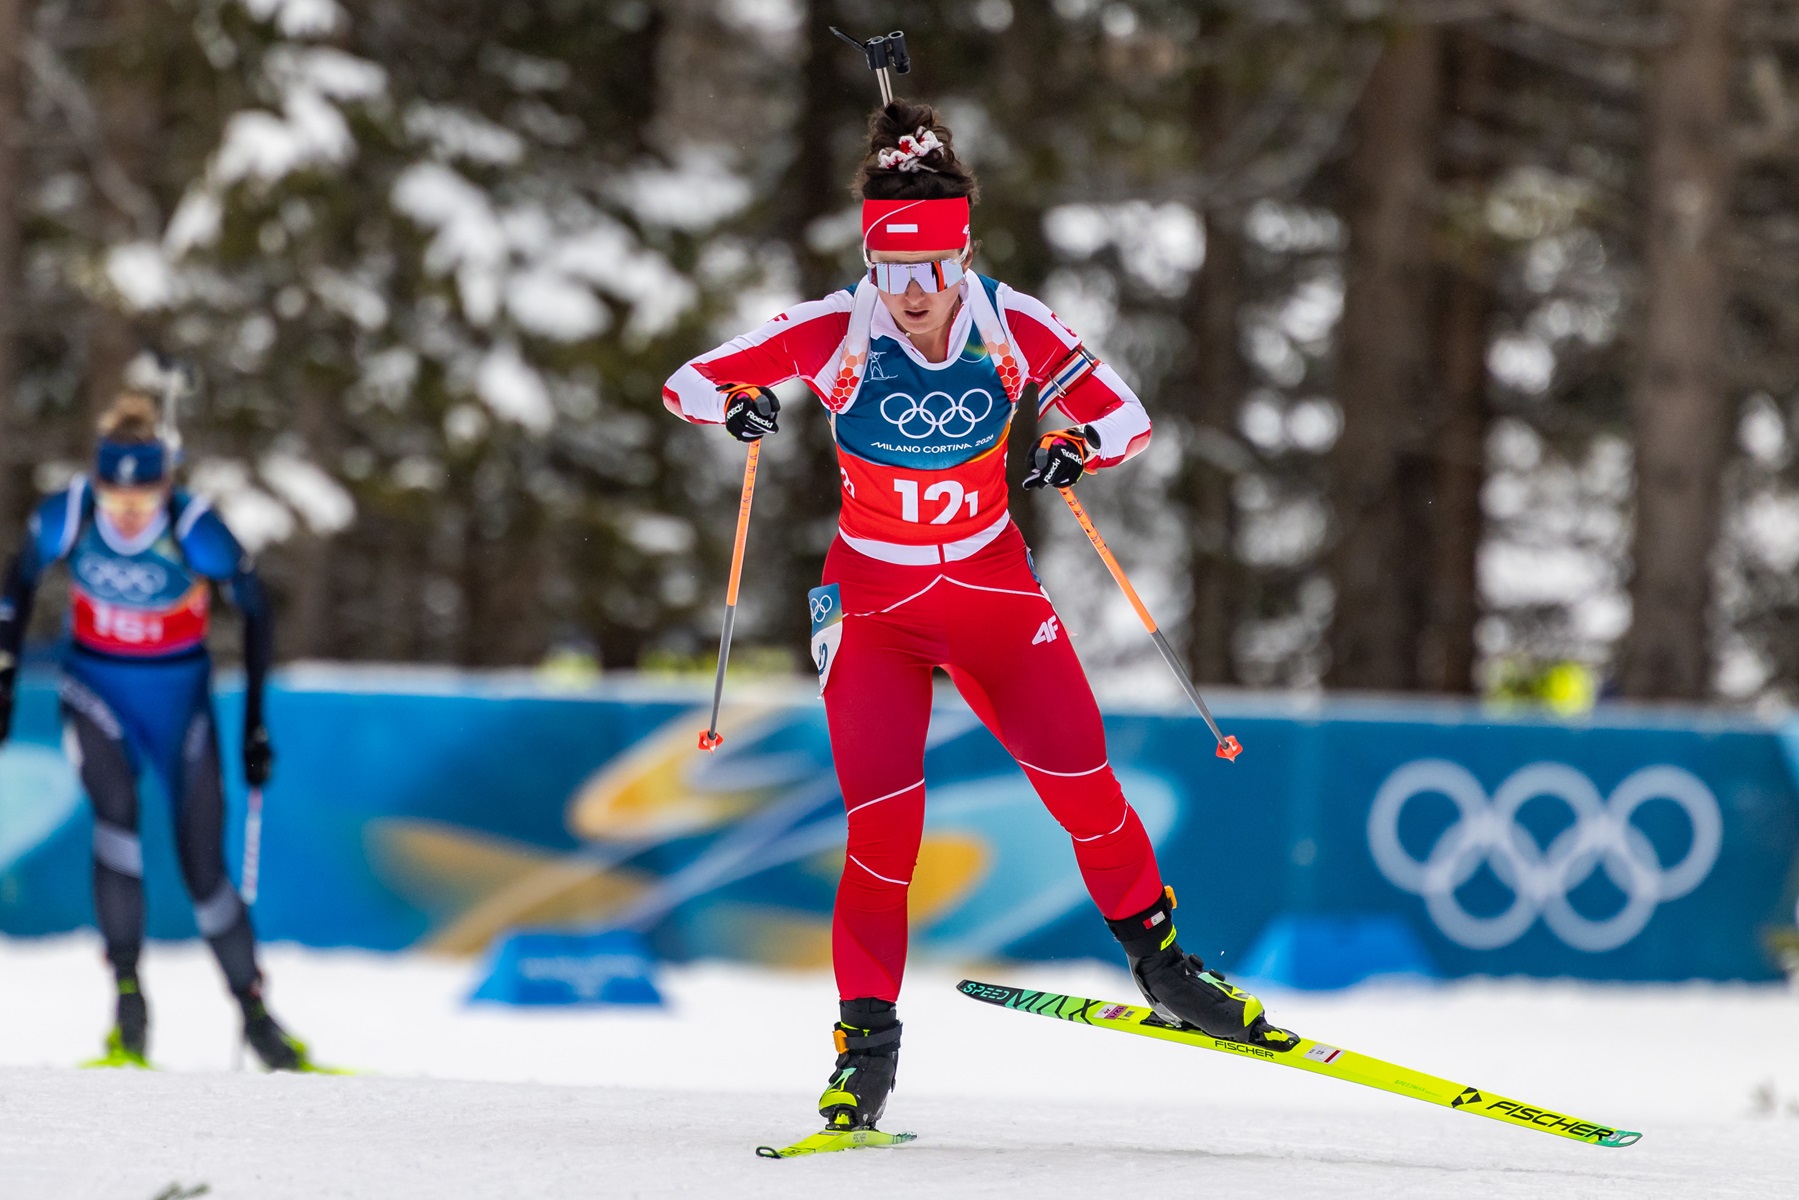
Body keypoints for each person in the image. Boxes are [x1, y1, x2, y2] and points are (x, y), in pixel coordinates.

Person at [662, 101, 1292, 1134]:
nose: (910, 297)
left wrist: (1077, 447)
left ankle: (1168, 972)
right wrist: (736, 405)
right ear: (869, 262)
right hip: (872, 604)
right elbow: (691, 380)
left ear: (962, 256)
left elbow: (1124, 414)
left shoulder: (1014, 320)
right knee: (882, 834)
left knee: (1086, 788)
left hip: (993, 596)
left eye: (931, 271)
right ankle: (863, 1052)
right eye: (890, 273)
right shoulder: (836, 323)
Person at [0, 391, 311, 1070]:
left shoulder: (195, 526)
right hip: (97, 689)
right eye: (117, 498)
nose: (131, 513)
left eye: (144, 499)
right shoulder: (69, 514)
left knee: (204, 868)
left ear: (167, 482)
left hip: (179, 700)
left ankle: (257, 1019)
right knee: (117, 822)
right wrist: (5, 672)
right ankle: (129, 1008)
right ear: (99, 482)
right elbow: (17, 587)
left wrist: (256, 723)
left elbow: (256, 613)